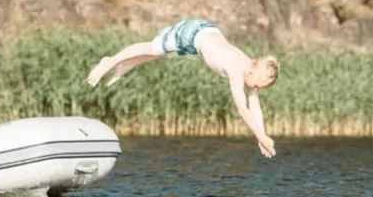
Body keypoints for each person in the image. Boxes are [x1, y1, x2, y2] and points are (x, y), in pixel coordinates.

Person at [86, 18, 279, 158]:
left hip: (203, 34)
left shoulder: (249, 67)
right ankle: (110, 61)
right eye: (256, 85)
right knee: (151, 48)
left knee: (161, 52)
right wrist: (259, 136)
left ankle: (126, 64)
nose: (254, 88)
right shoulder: (237, 70)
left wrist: (262, 136)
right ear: (253, 73)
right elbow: (243, 108)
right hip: (193, 35)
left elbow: (255, 105)